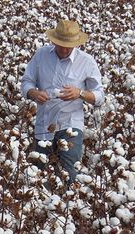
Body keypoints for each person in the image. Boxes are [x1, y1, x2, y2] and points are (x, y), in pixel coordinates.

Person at [21, 19, 105, 185]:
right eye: (61, 44)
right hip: (44, 124)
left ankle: (68, 206)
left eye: (69, 45)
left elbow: (99, 96)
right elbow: (27, 82)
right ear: (53, 41)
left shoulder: (86, 62)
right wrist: (34, 93)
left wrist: (79, 93)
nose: (65, 49)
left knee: (69, 170)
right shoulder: (41, 56)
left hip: (71, 123)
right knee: (40, 171)